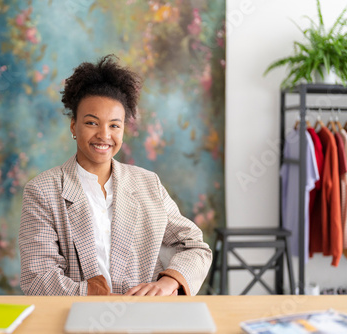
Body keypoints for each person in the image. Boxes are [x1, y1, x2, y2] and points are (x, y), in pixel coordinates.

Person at [19, 55, 212, 296]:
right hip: (77, 320)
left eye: (114, 125)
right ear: (73, 126)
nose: (104, 135)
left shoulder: (147, 184)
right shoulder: (42, 190)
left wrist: (168, 282)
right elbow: (38, 278)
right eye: (91, 123)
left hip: (144, 321)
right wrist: (98, 297)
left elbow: (194, 246)